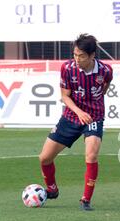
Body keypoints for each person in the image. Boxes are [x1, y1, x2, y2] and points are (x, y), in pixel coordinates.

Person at [38, 34, 113, 211]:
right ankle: (52, 189)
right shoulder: (67, 68)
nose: (77, 59)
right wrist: (79, 112)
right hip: (71, 116)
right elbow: (65, 96)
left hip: (94, 117)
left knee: (91, 155)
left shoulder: (105, 70)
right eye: (75, 55)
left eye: (81, 56)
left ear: (92, 55)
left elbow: (105, 87)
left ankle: (85, 200)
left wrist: (93, 106)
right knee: (44, 158)